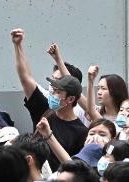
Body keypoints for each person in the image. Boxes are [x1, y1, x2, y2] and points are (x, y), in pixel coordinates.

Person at [11, 28, 88, 170]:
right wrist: (18, 46)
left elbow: (76, 170)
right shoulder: (44, 110)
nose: (52, 92)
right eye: (52, 85)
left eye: (58, 91)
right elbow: (25, 78)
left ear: (70, 99)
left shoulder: (82, 132)